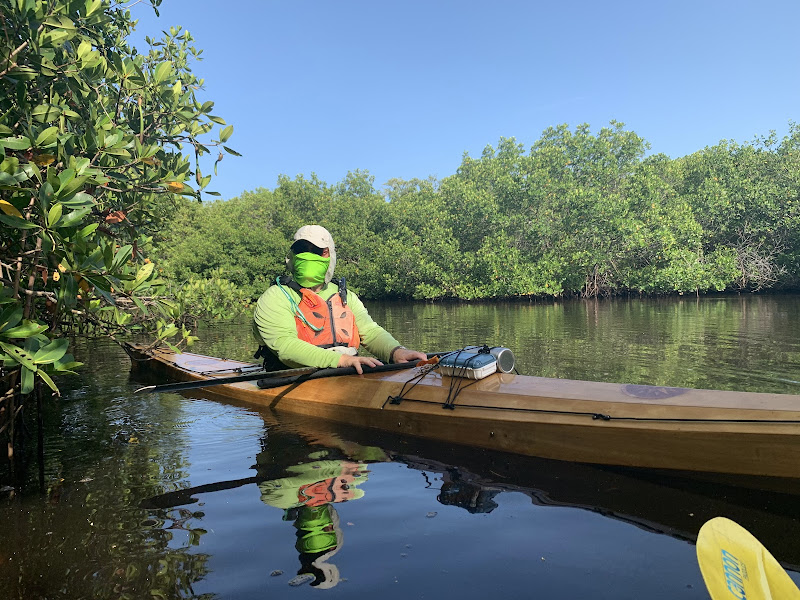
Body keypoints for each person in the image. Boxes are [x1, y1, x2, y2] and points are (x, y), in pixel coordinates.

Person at [253, 225, 426, 373]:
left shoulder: (345, 295)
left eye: (318, 251)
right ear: (292, 256)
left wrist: (396, 352)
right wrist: (341, 360)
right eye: (302, 250)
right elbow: (286, 347)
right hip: (294, 378)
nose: (309, 255)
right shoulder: (276, 297)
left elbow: (370, 332)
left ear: (330, 255)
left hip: (348, 374)